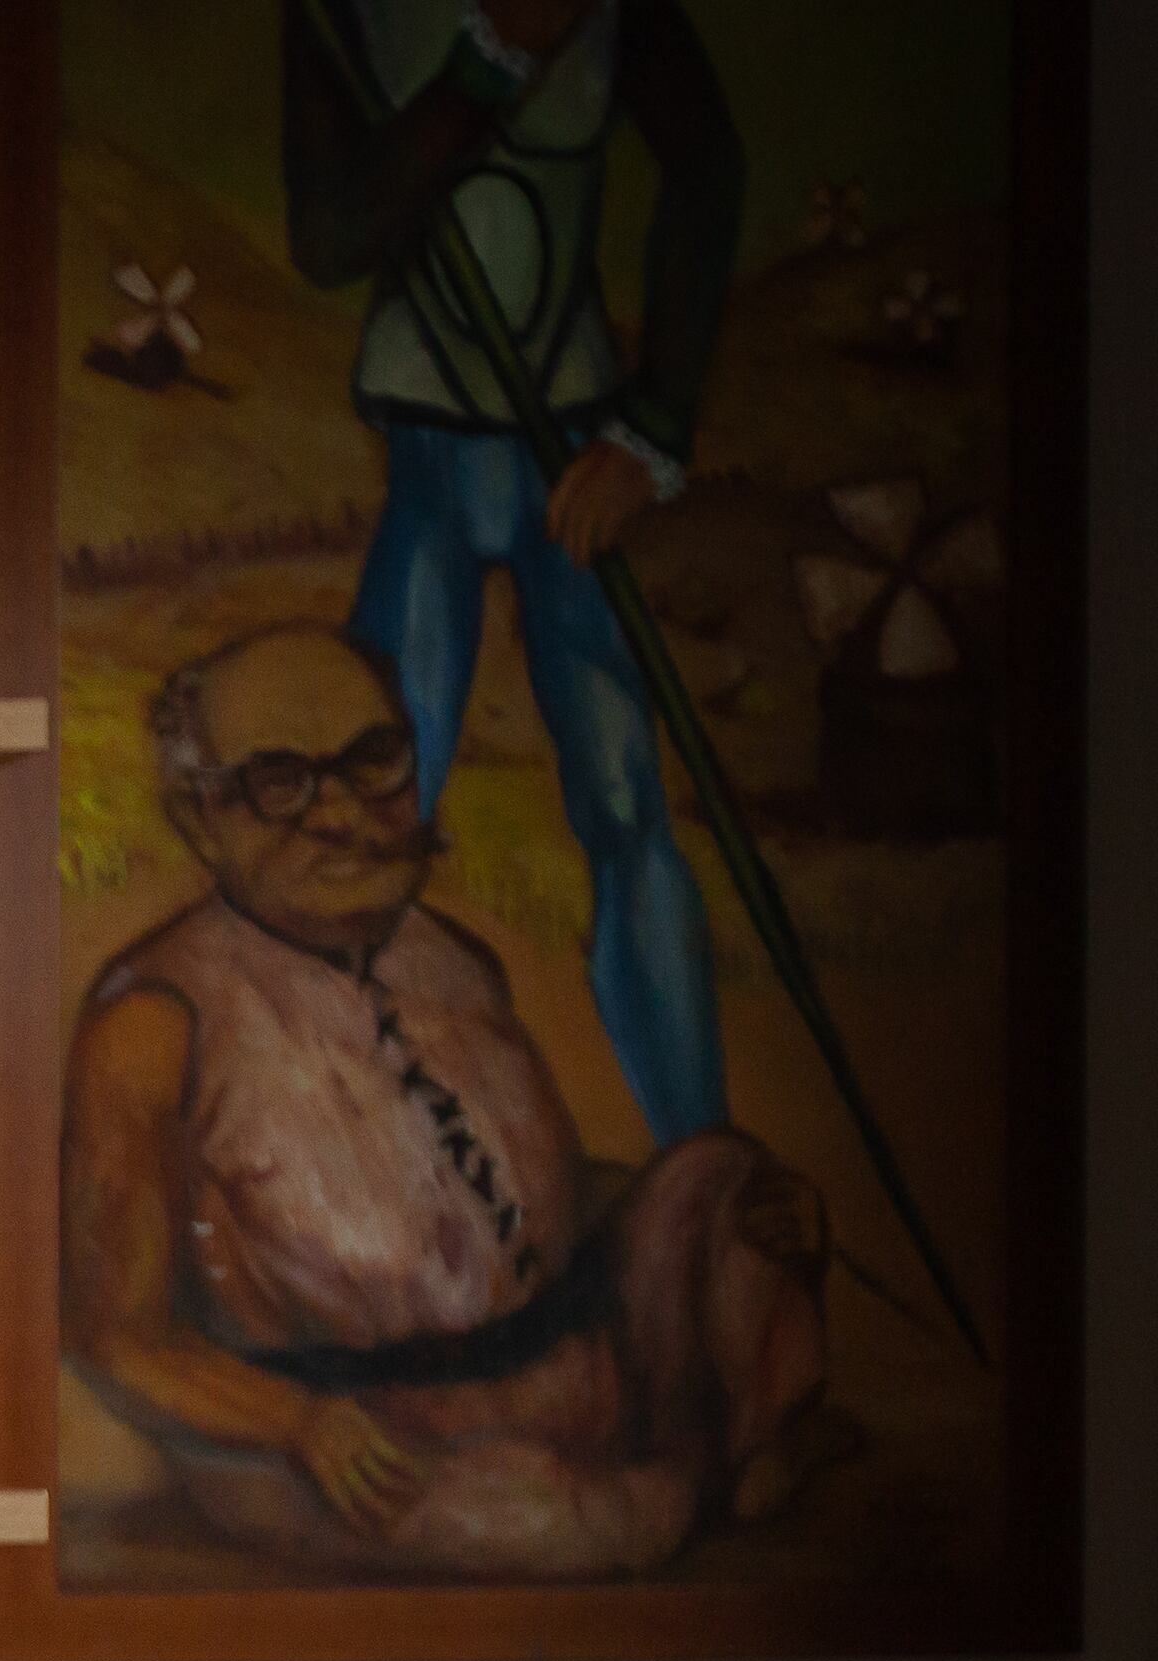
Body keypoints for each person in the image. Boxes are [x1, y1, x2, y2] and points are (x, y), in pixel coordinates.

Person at [62, 623, 829, 1578]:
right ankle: (698, 1473)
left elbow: (527, 1209)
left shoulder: (457, 960)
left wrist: (710, 1215)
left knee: (724, 1176)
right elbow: (115, 1336)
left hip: (548, 1375)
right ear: (201, 819)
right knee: (564, 1522)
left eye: (371, 761)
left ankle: (676, 1471)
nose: (342, 814)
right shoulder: (150, 1023)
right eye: (280, 781)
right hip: (350, 1448)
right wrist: (303, 1424)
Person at [285, 0, 747, 1147]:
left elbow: (708, 170)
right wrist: (486, 69)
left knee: (626, 801)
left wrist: (653, 427)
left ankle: (697, 1164)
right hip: (426, 455)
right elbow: (330, 235)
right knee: (376, 806)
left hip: (568, 459)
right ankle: (347, 1177)